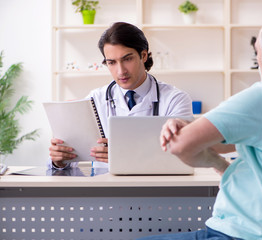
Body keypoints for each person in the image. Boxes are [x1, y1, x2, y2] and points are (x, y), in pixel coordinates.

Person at [139, 12, 262, 240]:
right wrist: (188, 125)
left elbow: (179, 145)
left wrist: (221, 166)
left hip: (243, 234)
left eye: (257, 54)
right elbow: (225, 142)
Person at [48, 22, 193, 169]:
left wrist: (125, 156)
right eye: (112, 62)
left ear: (143, 55)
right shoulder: (94, 100)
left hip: (155, 188)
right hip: (105, 188)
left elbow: (184, 156)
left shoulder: (175, 100)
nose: (120, 71)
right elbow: (72, 162)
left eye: (127, 59)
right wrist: (59, 161)